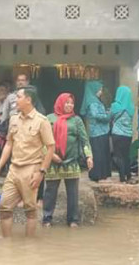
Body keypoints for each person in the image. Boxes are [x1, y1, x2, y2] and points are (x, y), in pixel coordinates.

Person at [0, 87, 55, 237]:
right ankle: (7, 244)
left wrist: (41, 172)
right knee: (4, 207)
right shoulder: (14, 119)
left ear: (28, 100)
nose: (14, 100)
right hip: (14, 169)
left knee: (30, 210)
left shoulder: (42, 121)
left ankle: (29, 248)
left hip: (31, 169)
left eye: (18, 97)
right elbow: (8, 144)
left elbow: (51, 148)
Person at [43, 93, 93, 228]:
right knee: (50, 192)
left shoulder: (77, 120)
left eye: (71, 103)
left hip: (71, 162)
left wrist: (89, 156)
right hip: (53, 162)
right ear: (60, 103)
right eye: (66, 102)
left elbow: (84, 140)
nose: (69, 105)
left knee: (73, 193)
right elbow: (42, 140)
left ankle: (73, 220)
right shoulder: (49, 119)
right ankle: (47, 218)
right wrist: (51, 155)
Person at [81, 80, 111, 182]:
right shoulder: (92, 102)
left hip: (101, 131)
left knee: (101, 153)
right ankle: (97, 175)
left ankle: (101, 174)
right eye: (99, 89)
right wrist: (107, 116)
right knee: (98, 154)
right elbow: (95, 115)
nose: (101, 92)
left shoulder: (95, 101)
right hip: (98, 132)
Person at [110, 86, 135, 184]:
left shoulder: (115, 106)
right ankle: (128, 175)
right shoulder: (131, 107)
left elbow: (110, 117)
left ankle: (122, 177)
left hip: (117, 134)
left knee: (118, 156)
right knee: (126, 155)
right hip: (128, 135)